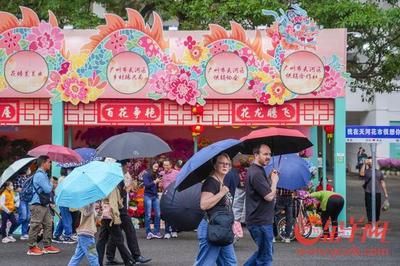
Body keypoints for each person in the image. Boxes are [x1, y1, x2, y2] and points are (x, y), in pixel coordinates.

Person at [194, 153, 237, 266]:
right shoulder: (211, 182)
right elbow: (204, 205)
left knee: (230, 262)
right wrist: (222, 193)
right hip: (211, 229)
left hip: (222, 229)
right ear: (214, 165)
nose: (225, 166)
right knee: (205, 263)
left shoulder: (221, 182)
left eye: (227, 164)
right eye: (221, 163)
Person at [106, 161, 151, 265]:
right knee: (127, 231)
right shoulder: (117, 176)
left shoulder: (121, 175)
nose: (128, 167)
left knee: (113, 234)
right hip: (117, 209)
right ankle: (135, 256)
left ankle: (110, 257)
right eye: (127, 165)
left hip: (116, 209)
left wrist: (129, 187)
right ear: (122, 165)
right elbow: (118, 194)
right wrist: (127, 188)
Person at [245, 144, 279, 266]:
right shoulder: (256, 173)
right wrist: (275, 182)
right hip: (260, 222)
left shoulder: (258, 171)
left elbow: (262, 191)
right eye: (265, 154)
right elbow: (269, 196)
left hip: (260, 221)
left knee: (264, 252)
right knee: (265, 258)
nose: (268, 157)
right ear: (256, 155)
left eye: (269, 154)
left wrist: (269, 179)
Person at [27, 155, 60, 256]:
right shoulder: (40, 175)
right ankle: (32, 247)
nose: (50, 164)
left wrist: (49, 184)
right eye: (49, 162)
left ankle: (47, 246)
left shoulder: (43, 174)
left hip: (43, 204)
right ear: (43, 163)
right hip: (37, 204)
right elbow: (47, 189)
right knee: (35, 225)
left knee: (49, 224)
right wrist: (51, 183)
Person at [96, 187, 135, 266]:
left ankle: (98, 262)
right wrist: (116, 217)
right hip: (111, 216)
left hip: (105, 215)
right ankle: (128, 259)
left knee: (102, 239)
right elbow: (114, 203)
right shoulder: (112, 188)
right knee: (118, 239)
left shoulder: (104, 186)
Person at [359, 157, 389, 223]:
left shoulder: (379, 172)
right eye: (369, 161)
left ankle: (377, 220)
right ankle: (370, 220)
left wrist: (386, 193)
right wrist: (364, 164)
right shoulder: (366, 171)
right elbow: (361, 174)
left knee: (377, 207)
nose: (370, 162)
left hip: (377, 192)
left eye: (371, 161)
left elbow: (382, 183)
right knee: (369, 207)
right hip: (368, 192)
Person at [53, 168, 76, 244]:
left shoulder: (63, 178)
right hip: (64, 201)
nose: (71, 171)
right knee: (67, 219)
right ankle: (67, 235)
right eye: (70, 169)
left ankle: (57, 235)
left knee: (63, 219)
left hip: (64, 201)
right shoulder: (63, 179)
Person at [142, 160, 162, 240]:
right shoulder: (146, 174)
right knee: (148, 215)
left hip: (155, 196)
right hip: (148, 196)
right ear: (151, 166)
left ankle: (157, 231)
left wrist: (159, 184)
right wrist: (155, 182)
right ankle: (148, 232)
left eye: (157, 167)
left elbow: (155, 186)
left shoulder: (156, 174)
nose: (156, 168)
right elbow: (146, 185)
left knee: (158, 214)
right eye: (155, 166)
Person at [160, 159, 179, 239]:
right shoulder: (161, 174)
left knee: (174, 213)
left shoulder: (176, 173)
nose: (166, 167)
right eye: (164, 165)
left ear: (171, 165)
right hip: (165, 195)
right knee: (166, 213)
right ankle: (167, 231)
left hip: (174, 195)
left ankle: (174, 230)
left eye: (167, 165)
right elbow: (161, 185)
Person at [13, 167, 32, 240]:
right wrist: (25, 190)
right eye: (29, 169)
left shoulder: (28, 178)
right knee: (23, 216)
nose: (30, 170)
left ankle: (24, 234)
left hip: (28, 199)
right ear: (25, 170)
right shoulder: (18, 178)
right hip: (21, 200)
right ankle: (11, 228)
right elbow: (16, 188)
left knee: (27, 218)